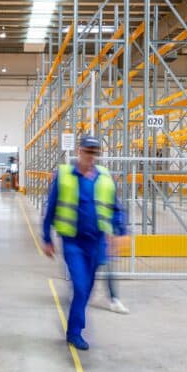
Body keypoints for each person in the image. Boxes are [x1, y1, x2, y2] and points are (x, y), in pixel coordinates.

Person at [41, 135, 127, 350]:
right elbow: (50, 209)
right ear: (79, 151)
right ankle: (74, 331)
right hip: (73, 242)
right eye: (87, 151)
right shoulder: (63, 176)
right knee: (80, 286)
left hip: (97, 242)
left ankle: (75, 326)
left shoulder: (105, 178)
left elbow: (115, 208)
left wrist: (121, 231)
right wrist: (46, 237)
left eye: (94, 152)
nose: (91, 156)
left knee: (87, 288)